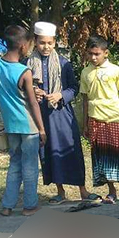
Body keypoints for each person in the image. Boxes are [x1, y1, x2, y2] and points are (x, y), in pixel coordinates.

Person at [25, 21, 99, 205]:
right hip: (40, 116)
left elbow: (74, 89)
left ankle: (83, 190)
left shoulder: (64, 63)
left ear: (55, 42)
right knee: (49, 152)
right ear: (35, 41)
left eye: (50, 43)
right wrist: (34, 91)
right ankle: (60, 192)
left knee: (71, 150)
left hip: (62, 114)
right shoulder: (27, 63)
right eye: (42, 43)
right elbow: (22, 88)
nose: (46, 47)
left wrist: (60, 95)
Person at [0, 25, 46, 217]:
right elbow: (33, 103)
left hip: (10, 124)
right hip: (28, 125)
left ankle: (7, 205)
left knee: (14, 163)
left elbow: (1, 94)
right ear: (23, 45)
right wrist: (42, 129)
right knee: (30, 166)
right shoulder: (25, 71)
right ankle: (30, 206)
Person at [79, 35, 119, 205]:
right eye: (90, 54)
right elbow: (85, 100)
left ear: (105, 53)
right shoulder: (85, 72)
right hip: (95, 121)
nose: (93, 57)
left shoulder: (115, 70)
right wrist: (85, 124)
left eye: (97, 54)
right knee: (102, 157)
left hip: (113, 119)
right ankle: (112, 192)